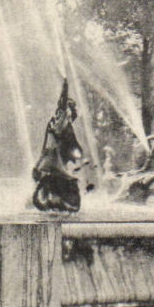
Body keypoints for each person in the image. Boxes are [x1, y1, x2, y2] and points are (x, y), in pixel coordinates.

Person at [31, 82, 88, 212]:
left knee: (63, 176)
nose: (72, 111)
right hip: (54, 157)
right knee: (62, 176)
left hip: (58, 156)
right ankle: (54, 200)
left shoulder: (65, 122)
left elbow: (71, 117)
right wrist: (65, 87)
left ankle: (55, 200)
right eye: (71, 108)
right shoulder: (60, 119)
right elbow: (62, 106)